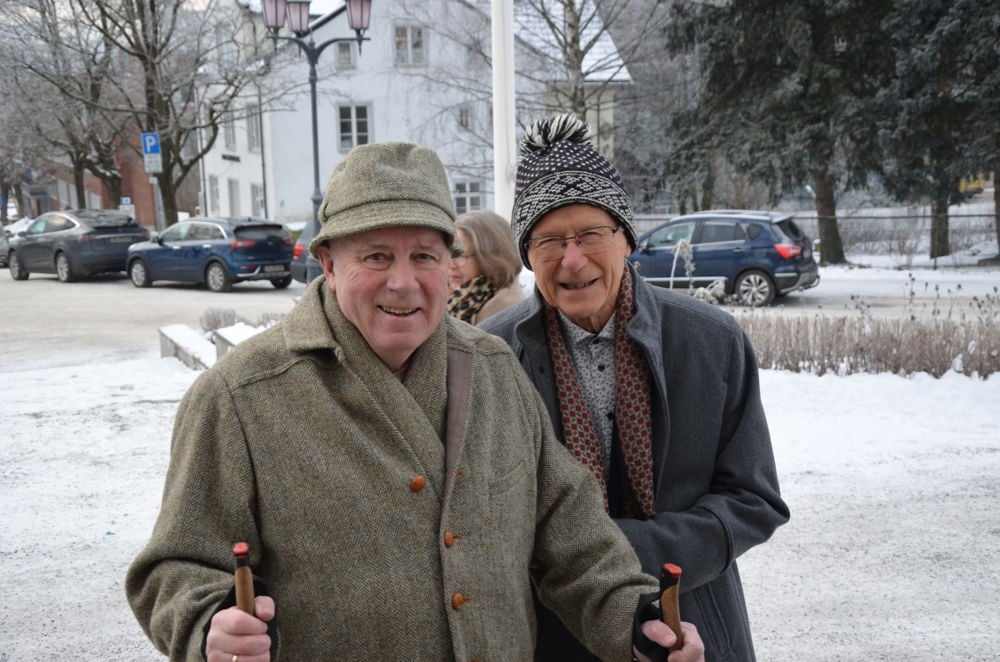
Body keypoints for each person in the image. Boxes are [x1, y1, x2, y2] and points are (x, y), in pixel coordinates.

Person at [125, 141, 705, 662]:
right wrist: (208, 625)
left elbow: (569, 532)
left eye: (425, 257)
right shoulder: (238, 399)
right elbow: (175, 568)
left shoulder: (495, 370)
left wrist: (634, 616)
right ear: (328, 263)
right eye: (376, 256)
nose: (403, 282)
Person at [480, 114, 790, 662]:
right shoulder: (490, 356)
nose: (572, 260)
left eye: (591, 234)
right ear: (527, 256)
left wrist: (628, 552)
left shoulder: (709, 341)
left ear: (626, 238)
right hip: (551, 634)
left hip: (691, 621)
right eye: (549, 240)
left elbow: (753, 498)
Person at [447, 210, 526, 324]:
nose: (451, 264)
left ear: (491, 257)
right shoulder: (448, 300)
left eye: (460, 255)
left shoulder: (507, 315)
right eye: (448, 254)